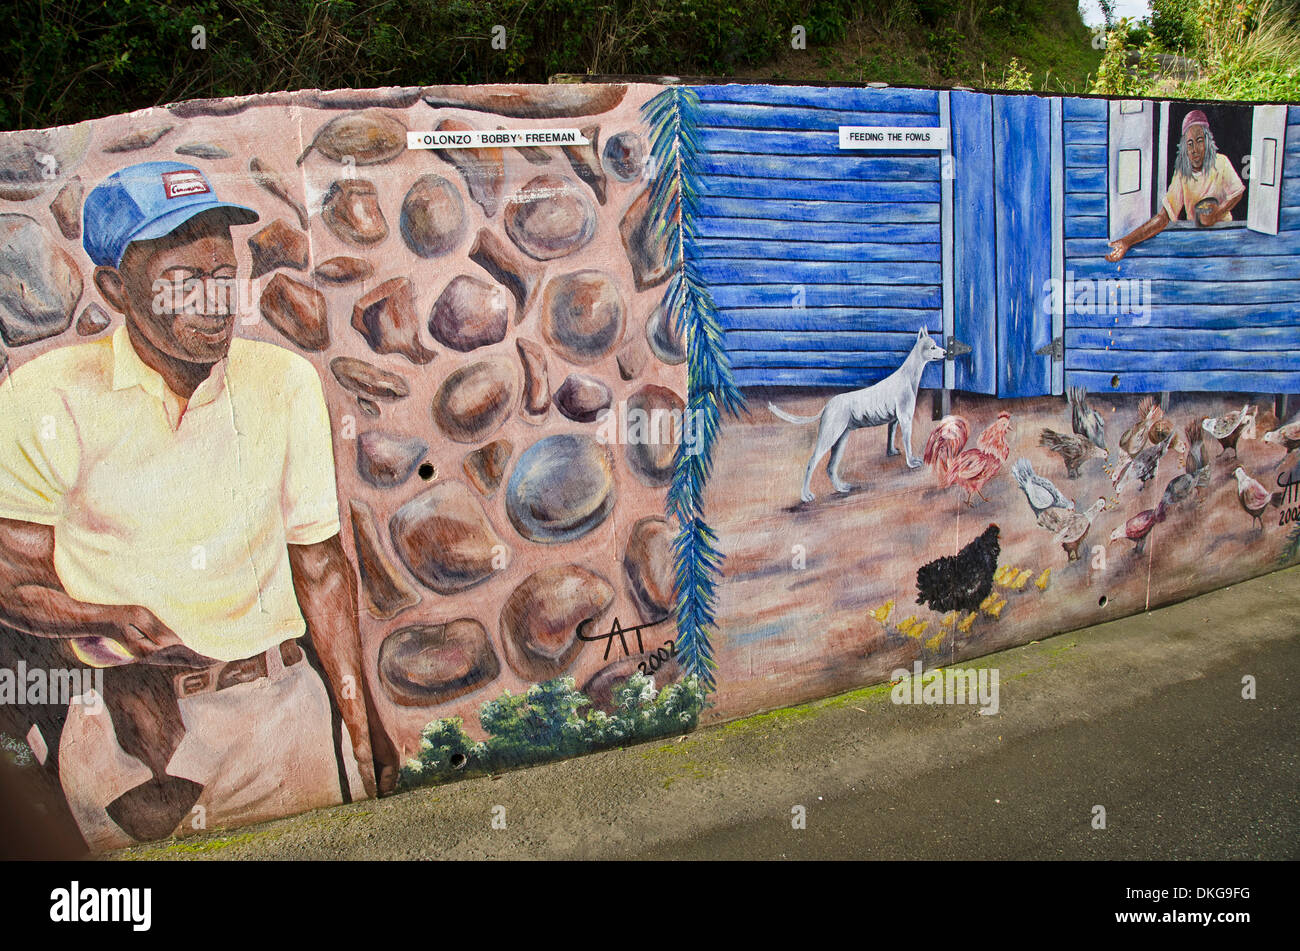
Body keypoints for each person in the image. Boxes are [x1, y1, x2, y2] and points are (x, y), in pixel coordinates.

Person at [0, 161, 399, 849]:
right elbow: (12, 579)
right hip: (126, 741)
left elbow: (324, 568)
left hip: (281, 719)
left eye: (223, 277)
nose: (215, 304)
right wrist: (109, 619)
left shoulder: (285, 385)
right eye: (184, 281)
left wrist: (360, 718)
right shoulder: (45, 396)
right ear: (115, 288)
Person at [1106, 109, 1245, 262]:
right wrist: (1127, 241)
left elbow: (1237, 192)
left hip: (1225, 235)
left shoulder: (1221, 163)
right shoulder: (1182, 174)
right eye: (1189, 144)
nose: (1195, 150)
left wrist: (1218, 213)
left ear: (1207, 141)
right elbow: (1163, 217)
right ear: (1184, 148)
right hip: (1198, 238)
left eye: (1199, 141)